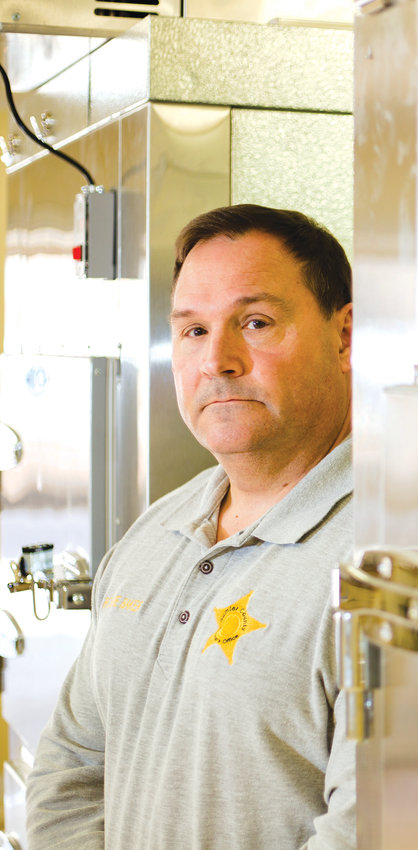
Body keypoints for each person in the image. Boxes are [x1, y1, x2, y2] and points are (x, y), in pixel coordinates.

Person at [26, 204, 355, 849]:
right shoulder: (160, 529)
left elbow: (366, 833)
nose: (218, 360)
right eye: (193, 331)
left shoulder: (383, 560)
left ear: (344, 336)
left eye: (255, 322)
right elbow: (72, 761)